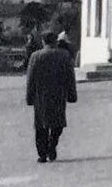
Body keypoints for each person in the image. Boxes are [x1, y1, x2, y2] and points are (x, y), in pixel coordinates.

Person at [25, 30, 77, 163]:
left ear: (43, 41)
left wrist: (29, 97)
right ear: (56, 41)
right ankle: (52, 145)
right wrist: (72, 94)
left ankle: (42, 153)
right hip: (58, 93)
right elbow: (70, 76)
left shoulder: (35, 56)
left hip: (40, 95)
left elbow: (31, 78)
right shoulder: (64, 55)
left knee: (41, 125)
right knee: (57, 123)